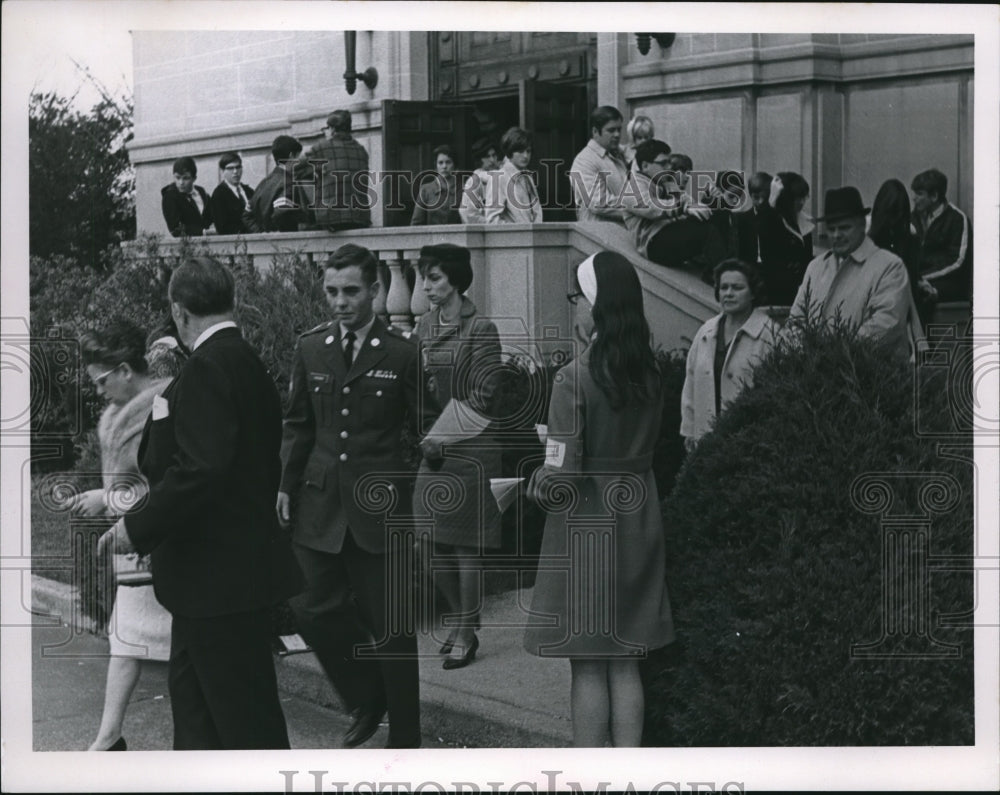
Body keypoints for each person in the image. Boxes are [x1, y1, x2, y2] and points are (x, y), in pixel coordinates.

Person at [98, 256, 303, 750]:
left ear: (179, 311)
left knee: (244, 731)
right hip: (213, 584)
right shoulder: (246, 361)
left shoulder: (208, 368)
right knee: (198, 727)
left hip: (219, 586)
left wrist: (136, 527)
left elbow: (201, 471)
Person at [277, 243, 439, 749]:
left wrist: (435, 455)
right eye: (331, 292)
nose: (340, 302)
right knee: (309, 605)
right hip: (320, 501)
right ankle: (367, 695)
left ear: (374, 290)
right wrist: (284, 485)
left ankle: (406, 741)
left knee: (392, 626)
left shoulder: (402, 351)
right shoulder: (311, 346)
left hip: (379, 506)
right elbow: (299, 424)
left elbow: (427, 423)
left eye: (350, 291)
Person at [524, 251, 675, 748]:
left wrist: (537, 479)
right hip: (639, 513)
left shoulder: (574, 376)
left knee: (588, 664)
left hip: (588, 521)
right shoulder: (650, 371)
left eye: (577, 298)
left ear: (597, 304)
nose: (574, 309)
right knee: (627, 660)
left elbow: (561, 477)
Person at [68, 321, 178, 751]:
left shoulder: (162, 408)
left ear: (126, 370)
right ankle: (109, 735)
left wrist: (106, 497)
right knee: (127, 638)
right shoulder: (122, 412)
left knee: (176, 646)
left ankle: (206, 744)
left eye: (101, 379)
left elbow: (167, 485)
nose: (97, 390)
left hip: (162, 543)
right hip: (135, 543)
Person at [411, 244, 502, 669]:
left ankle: (465, 631)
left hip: (470, 448)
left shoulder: (481, 328)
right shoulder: (421, 327)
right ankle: (463, 617)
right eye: (424, 278)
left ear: (456, 281)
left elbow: (484, 395)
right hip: (433, 445)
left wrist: (440, 438)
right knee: (428, 542)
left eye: (435, 278)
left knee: (466, 548)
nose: (427, 286)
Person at [785, 186, 912, 359]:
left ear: (862, 225)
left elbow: (887, 324)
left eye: (844, 227)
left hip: (874, 376)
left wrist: (832, 355)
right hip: (817, 377)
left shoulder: (889, 266)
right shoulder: (815, 267)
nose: (836, 235)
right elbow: (796, 320)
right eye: (831, 229)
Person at [680, 259, 778, 447]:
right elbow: (690, 383)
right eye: (724, 288)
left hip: (750, 441)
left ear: (753, 293)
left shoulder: (769, 334)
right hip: (706, 440)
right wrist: (690, 432)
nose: (729, 294)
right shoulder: (706, 332)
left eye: (737, 288)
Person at [622, 139, 726, 276]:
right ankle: (723, 276)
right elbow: (653, 208)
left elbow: (686, 200)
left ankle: (720, 270)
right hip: (653, 244)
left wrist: (707, 202)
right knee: (707, 232)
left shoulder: (664, 182)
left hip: (669, 233)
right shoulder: (632, 188)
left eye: (669, 163)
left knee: (718, 215)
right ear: (645, 165)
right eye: (663, 163)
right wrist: (684, 207)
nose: (668, 168)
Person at [910, 168, 972, 313]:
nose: (914, 198)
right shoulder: (913, 217)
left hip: (947, 283)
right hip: (919, 280)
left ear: (934, 196)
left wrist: (921, 278)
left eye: (919, 194)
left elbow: (957, 262)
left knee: (923, 295)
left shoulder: (957, 219)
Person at [869, 179, 926, 325]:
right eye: (892, 214)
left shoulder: (910, 242)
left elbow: (911, 286)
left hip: (904, 314)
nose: (894, 221)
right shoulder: (869, 244)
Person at [307, 109, 372, 232]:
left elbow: (294, 169)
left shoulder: (321, 148)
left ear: (332, 129)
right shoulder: (361, 150)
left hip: (332, 219)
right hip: (360, 217)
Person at [756, 171, 814, 305]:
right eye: (797, 198)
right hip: (777, 295)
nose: (802, 202)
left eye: (804, 197)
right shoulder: (772, 220)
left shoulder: (805, 222)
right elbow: (763, 234)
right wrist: (772, 199)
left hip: (802, 292)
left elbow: (807, 259)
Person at [569, 106, 630, 225]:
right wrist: (639, 207)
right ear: (595, 131)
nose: (617, 135)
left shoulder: (619, 154)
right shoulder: (584, 160)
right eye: (611, 130)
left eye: (619, 129)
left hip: (623, 233)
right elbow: (598, 203)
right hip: (598, 236)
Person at [245, 135, 313, 232]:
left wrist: (261, 233)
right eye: (298, 156)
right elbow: (282, 214)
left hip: (268, 243)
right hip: (288, 243)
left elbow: (247, 215)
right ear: (291, 156)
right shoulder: (289, 183)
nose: (299, 160)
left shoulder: (263, 183)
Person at [484, 127, 543, 224]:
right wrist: (516, 233)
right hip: (512, 237)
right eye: (520, 151)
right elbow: (492, 219)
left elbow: (535, 212)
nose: (525, 156)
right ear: (510, 151)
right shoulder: (499, 178)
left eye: (528, 151)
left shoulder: (528, 177)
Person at [160, 156, 212, 237]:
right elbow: (175, 229)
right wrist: (204, 232)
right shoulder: (170, 196)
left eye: (186, 178)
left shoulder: (201, 192)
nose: (181, 182)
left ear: (194, 178)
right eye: (177, 178)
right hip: (187, 245)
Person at [411, 144, 462, 225]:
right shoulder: (425, 190)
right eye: (440, 163)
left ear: (455, 165)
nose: (444, 166)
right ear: (436, 166)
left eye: (448, 162)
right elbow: (417, 223)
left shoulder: (462, 190)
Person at [210, 152, 255, 235]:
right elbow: (222, 228)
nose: (235, 171)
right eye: (230, 168)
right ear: (222, 171)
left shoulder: (249, 191)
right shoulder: (219, 194)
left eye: (238, 167)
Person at [735, 172, 772, 269]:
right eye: (756, 197)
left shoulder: (778, 219)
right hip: (749, 271)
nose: (760, 202)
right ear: (751, 195)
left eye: (765, 198)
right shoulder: (741, 219)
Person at [458, 138, 500, 224]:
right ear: (480, 159)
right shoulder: (474, 181)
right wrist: (492, 223)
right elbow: (467, 213)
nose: (492, 160)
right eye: (487, 156)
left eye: (494, 155)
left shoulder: (501, 176)